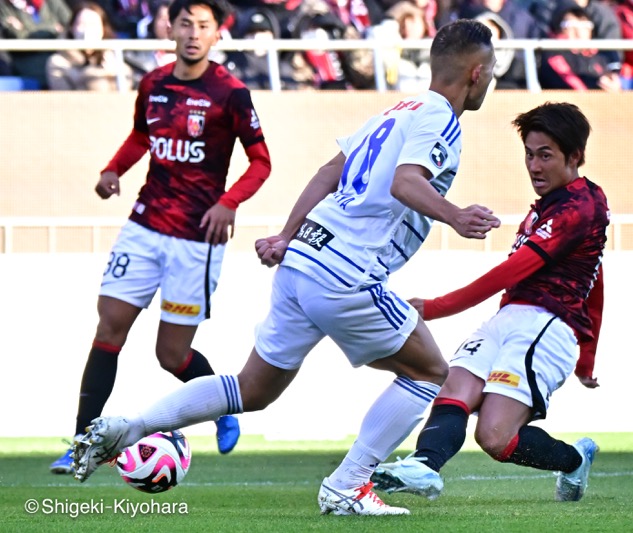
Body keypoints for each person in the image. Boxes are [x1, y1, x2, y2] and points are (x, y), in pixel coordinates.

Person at [71, 19, 499, 516]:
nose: (490, 81)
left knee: (250, 389)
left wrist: (286, 235)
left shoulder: (398, 108)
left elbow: (327, 172)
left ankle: (132, 425)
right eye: (491, 73)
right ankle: (348, 486)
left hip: (304, 260)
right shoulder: (440, 117)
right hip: (346, 271)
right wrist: (456, 214)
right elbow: (406, 182)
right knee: (430, 372)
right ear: (477, 71)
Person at [49, 0, 272, 474]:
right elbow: (140, 137)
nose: (193, 33)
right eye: (185, 23)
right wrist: (113, 170)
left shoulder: (231, 93)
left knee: (171, 355)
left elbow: (261, 161)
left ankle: (221, 406)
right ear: (170, 28)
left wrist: (227, 202)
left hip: (197, 239)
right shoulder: (153, 84)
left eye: (203, 26)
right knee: (109, 327)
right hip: (144, 227)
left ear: (217, 35)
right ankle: (82, 443)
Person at [369, 102, 609, 502]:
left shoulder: (581, 205)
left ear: (576, 156)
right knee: (453, 383)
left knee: (495, 437)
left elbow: (511, 272)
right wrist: (588, 357)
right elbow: (595, 276)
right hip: (510, 318)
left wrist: (434, 306)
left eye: (545, 155)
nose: (534, 166)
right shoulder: (549, 206)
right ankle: (424, 466)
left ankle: (573, 460)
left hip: (546, 327)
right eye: (529, 154)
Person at [46, 1, 134, 91]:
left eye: (93, 25)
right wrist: (92, 76)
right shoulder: (58, 63)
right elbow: (62, 100)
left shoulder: (114, 60)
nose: (87, 30)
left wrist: (112, 74)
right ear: (72, 28)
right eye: (82, 24)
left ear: (103, 29)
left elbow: (125, 93)